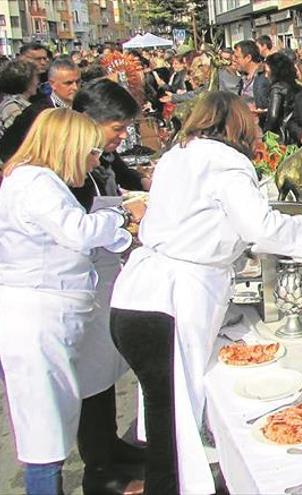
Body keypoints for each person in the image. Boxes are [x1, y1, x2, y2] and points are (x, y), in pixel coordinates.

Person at [108, 91, 302, 494]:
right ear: (237, 125)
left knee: (167, 417)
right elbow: (260, 228)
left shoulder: (178, 155)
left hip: (137, 296)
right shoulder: (226, 162)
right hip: (170, 300)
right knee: (173, 425)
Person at [0, 108, 144, 495]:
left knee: (52, 422)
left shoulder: (38, 180)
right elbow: (76, 231)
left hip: (48, 316)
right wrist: (121, 217)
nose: (95, 160)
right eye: (91, 152)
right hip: (36, 320)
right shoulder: (35, 183)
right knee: (44, 434)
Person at [68, 78, 149, 495]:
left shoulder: (97, 159)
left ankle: (109, 446)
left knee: (101, 375)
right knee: (87, 377)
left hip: (101, 276)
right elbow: (76, 227)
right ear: (90, 121)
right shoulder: (66, 165)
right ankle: (98, 467)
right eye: (117, 128)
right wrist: (122, 217)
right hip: (75, 284)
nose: (121, 137)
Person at [0, 57, 81, 162]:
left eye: (78, 82)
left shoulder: (83, 107)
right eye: (68, 83)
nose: (75, 87)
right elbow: (11, 148)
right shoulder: (36, 113)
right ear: (52, 84)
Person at [0, 59, 39, 139]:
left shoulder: (22, 103)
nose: (37, 81)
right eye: (35, 77)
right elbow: (21, 137)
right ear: (26, 81)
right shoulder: (12, 107)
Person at [263, 52, 297, 135]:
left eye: (267, 72)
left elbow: (273, 116)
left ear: (275, 71)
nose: (266, 76)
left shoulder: (277, 89)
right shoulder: (293, 84)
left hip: (281, 133)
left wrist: (266, 132)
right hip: (293, 130)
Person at [233, 40, 270, 112]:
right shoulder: (243, 78)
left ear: (248, 58)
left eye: (237, 57)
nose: (234, 60)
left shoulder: (266, 76)